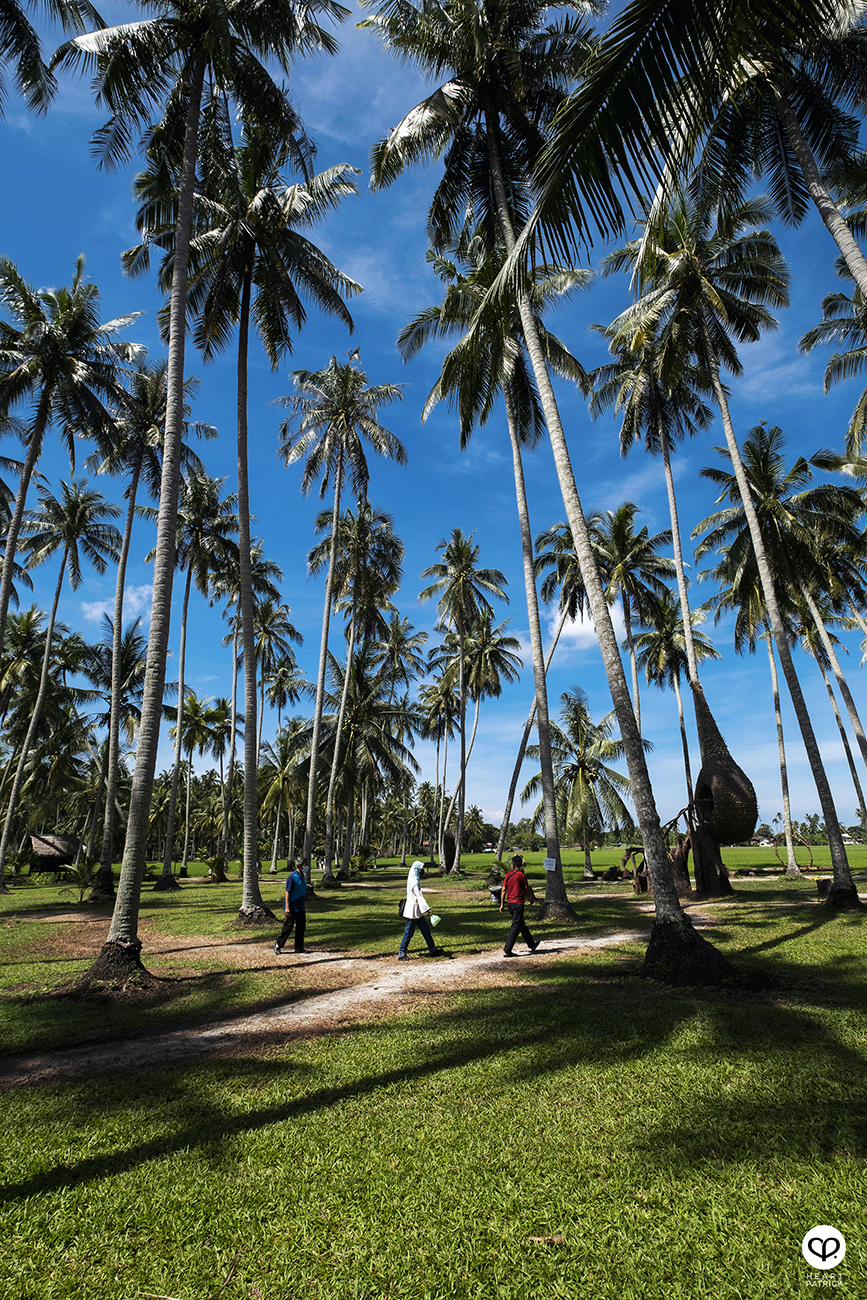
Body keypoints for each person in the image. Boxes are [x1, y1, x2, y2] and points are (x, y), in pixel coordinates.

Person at [398, 860, 443, 961]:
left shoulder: (413, 878)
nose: (422, 871)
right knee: (408, 932)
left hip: (417, 910)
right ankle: (401, 953)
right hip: (413, 910)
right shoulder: (414, 881)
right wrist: (427, 908)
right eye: (421, 869)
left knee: (426, 930)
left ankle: (433, 949)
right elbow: (418, 895)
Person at [499, 853, 540, 956]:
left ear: (512, 864)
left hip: (510, 904)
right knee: (516, 926)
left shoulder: (508, 875)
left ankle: (531, 944)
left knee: (521, 924)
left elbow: (504, 890)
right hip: (518, 904)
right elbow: (526, 889)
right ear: (521, 865)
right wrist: (531, 898)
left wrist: (502, 904)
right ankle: (507, 950)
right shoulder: (522, 875)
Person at [274, 858, 308, 955]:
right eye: (305, 865)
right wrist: (287, 907)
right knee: (288, 927)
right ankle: (278, 945)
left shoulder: (303, 876)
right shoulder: (292, 877)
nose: (306, 867)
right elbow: (287, 892)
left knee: (301, 928)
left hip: (300, 906)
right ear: (300, 865)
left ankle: (299, 948)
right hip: (292, 906)